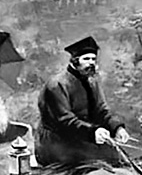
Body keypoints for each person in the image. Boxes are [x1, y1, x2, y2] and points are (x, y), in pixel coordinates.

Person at [35, 36, 130, 166]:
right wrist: (93, 132)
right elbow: (64, 120)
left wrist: (117, 128)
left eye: (93, 59)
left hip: (85, 136)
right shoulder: (56, 85)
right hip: (57, 142)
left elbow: (101, 111)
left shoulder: (92, 82)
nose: (91, 63)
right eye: (86, 59)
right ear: (74, 61)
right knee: (98, 162)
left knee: (118, 157)